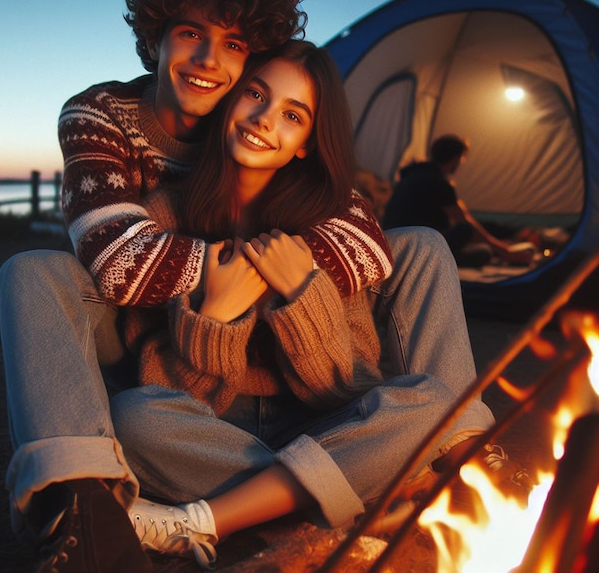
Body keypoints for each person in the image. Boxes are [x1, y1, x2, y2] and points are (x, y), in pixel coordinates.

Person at [0, 0, 393, 572]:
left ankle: (254, 503)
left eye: (233, 45)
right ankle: (79, 508)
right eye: (190, 34)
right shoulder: (101, 113)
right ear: (156, 37)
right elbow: (117, 260)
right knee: (30, 273)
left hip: (252, 350)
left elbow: (365, 238)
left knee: (419, 246)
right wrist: (228, 281)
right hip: (134, 326)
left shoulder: (244, 116)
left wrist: (285, 272)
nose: (209, 61)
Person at [108, 41, 514, 570]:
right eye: (255, 93)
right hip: (217, 437)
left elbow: (340, 388)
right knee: (133, 416)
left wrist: (302, 293)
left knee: (432, 403)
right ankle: (350, 496)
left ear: (305, 142)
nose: (262, 119)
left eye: (292, 115)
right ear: (232, 100)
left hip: (323, 425)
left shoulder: (332, 226)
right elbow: (171, 392)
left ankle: (205, 522)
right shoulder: (164, 215)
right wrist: (214, 316)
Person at [382, 134, 535, 268]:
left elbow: (460, 213)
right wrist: (503, 251)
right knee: (477, 244)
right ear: (455, 158)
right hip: (418, 247)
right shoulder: (438, 182)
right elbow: (464, 220)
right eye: (462, 158)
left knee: (476, 237)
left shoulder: (413, 174)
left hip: (394, 244)